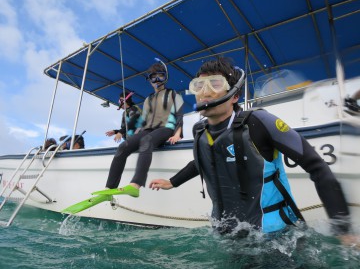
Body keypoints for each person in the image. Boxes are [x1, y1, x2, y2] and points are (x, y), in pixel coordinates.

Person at [149, 57, 356, 242]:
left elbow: (317, 167)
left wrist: (343, 231)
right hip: (228, 235)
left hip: (275, 239)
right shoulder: (199, 130)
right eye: (199, 85)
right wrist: (172, 182)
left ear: (235, 95)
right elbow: (202, 160)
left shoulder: (259, 123)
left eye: (215, 84)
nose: (205, 93)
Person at [93, 60, 184, 197]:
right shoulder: (148, 99)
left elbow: (179, 115)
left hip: (166, 128)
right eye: (153, 77)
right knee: (123, 146)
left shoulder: (174, 94)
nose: (157, 80)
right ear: (149, 80)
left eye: (161, 76)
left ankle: (136, 185)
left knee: (147, 140)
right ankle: (109, 189)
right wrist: (132, 138)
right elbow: (143, 123)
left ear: (166, 77)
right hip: (148, 129)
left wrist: (178, 134)